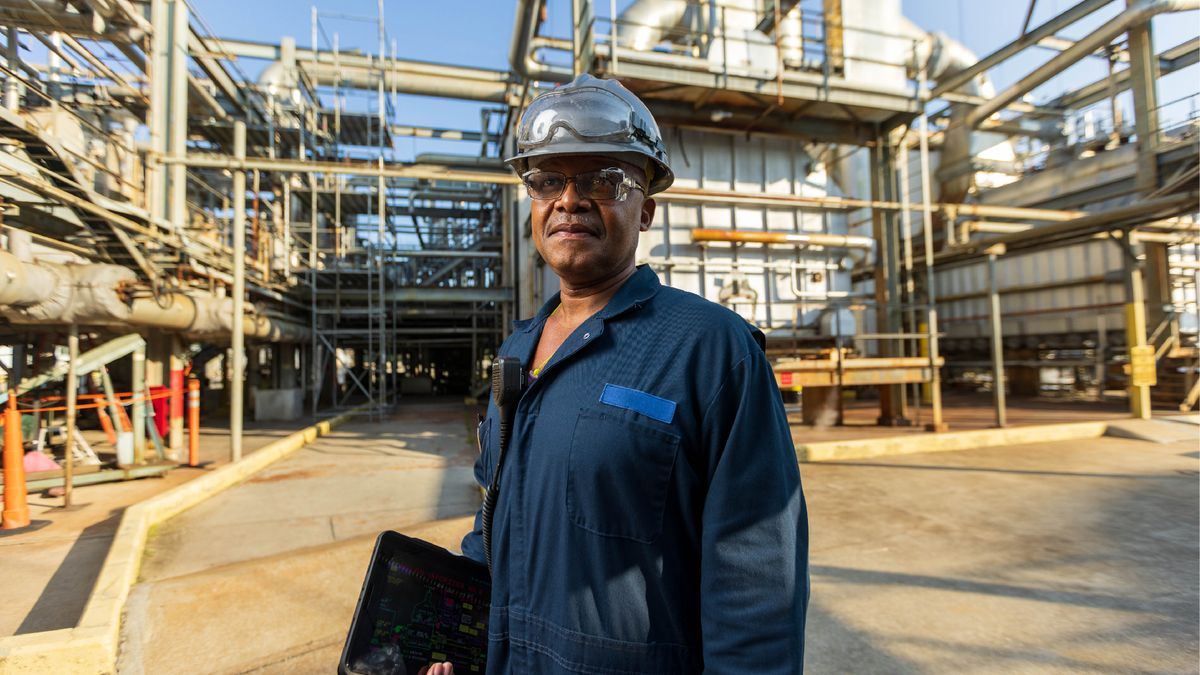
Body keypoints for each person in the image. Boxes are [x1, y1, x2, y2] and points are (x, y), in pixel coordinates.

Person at [441, 74, 808, 674]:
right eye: (547, 180)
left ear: (646, 211)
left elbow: (758, 584)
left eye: (603, 179)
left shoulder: (711, 350)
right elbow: (493, 527)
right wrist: (456, 645)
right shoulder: (517, 352)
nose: (569, 199)